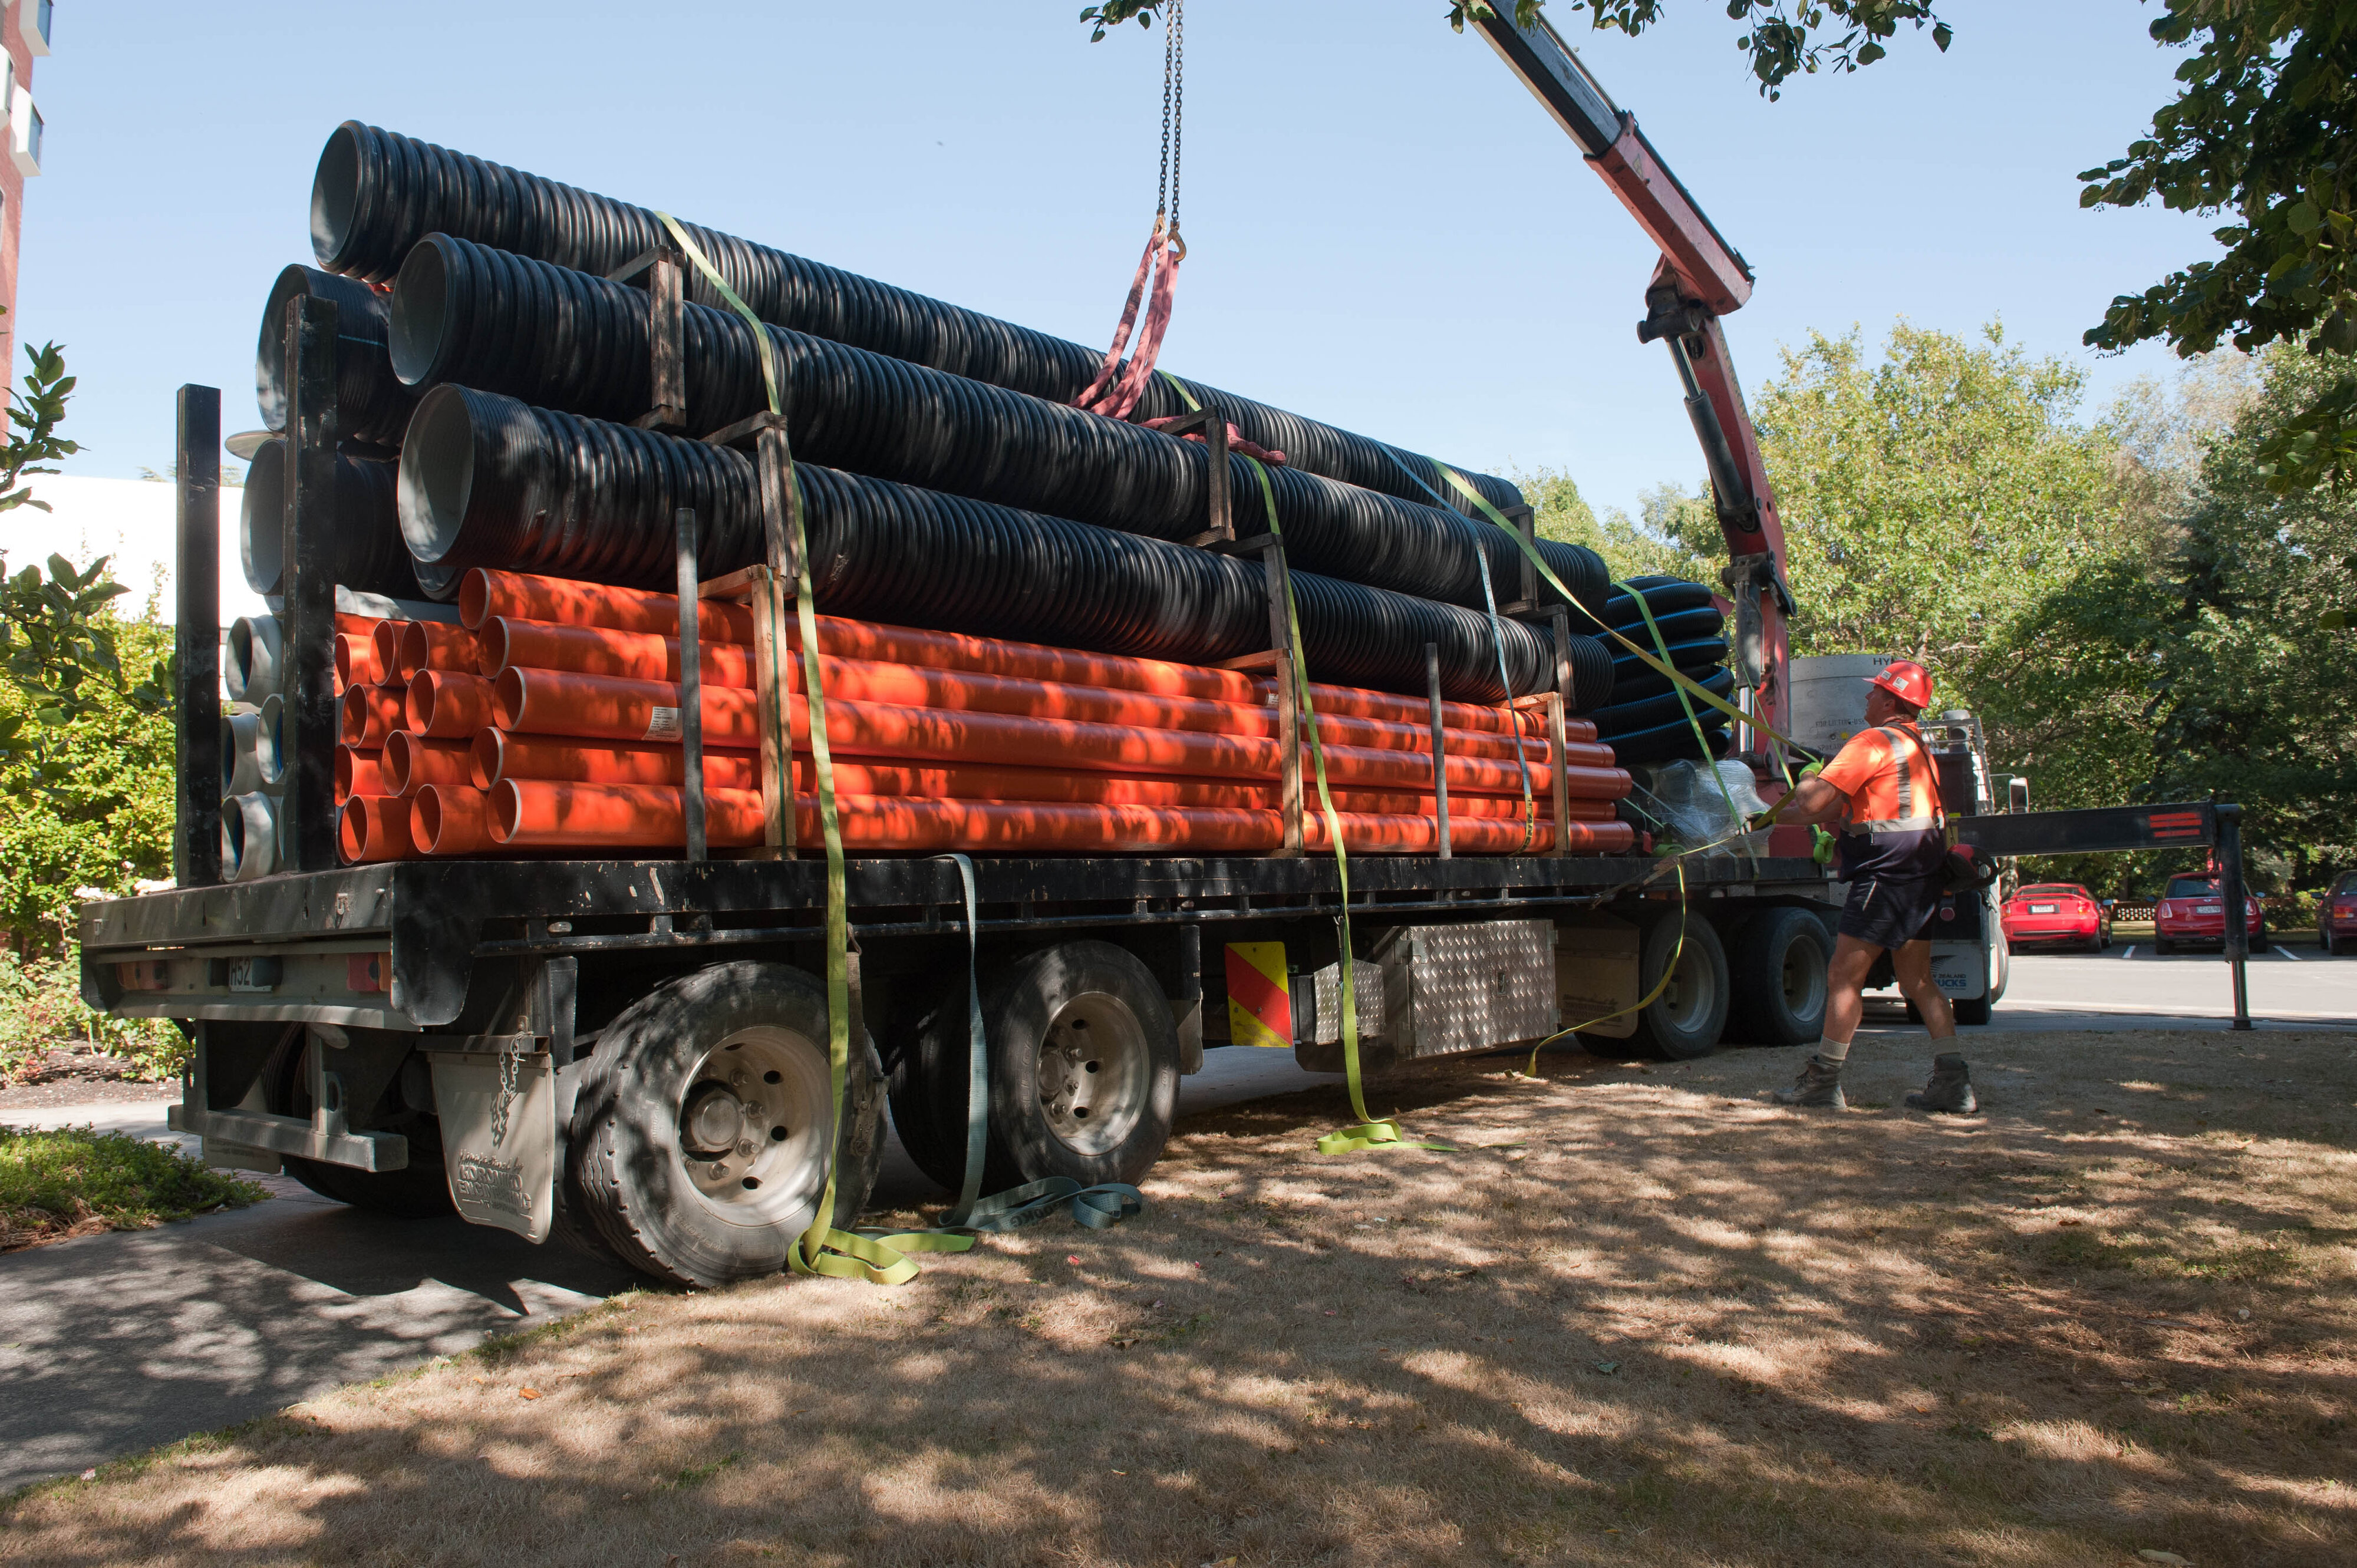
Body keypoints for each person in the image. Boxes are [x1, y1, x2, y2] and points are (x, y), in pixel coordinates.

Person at [1765, 660, 1976, 1114]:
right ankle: (1953, 1084)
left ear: (1888, 700)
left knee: (1843, 976)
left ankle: (1823, 1082)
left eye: (1872, 692)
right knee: (1917, 980)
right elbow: (1827, 812)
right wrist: (1760, 818)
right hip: (1920, 873)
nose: (1865, 699)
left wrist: (1806, 777)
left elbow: (1812, 800)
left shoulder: (1872, 741)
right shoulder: (1917, 749)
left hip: (1885, 873)